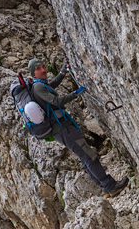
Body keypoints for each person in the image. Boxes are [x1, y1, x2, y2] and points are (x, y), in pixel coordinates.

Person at [28, 58, 128, 197]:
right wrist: (75, 94)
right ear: (33, 73)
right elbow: (56, 100)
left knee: (84, 155)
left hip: (63, 127)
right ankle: (110, 186)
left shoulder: (40, 85)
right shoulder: (38, 87)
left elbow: (52, 85)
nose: (43, 70)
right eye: (39, 68)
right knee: (88, 155)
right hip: (62, 128)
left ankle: (105, 187)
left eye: (43, 66)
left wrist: (63, 71)